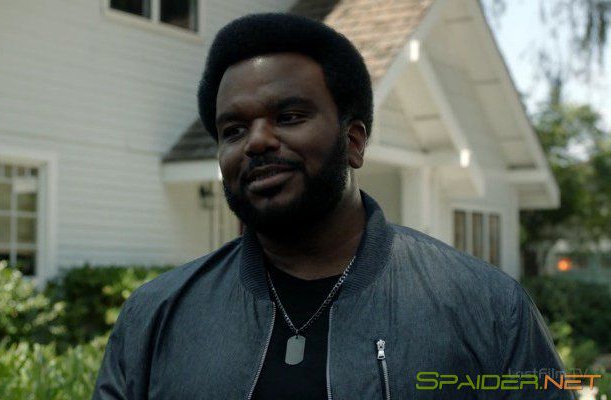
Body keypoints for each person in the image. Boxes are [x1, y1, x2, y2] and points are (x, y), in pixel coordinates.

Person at [93, 13, 571, 399]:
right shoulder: (156, 315)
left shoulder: (487, 308)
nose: (257, 141)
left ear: (354, 142)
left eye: (289, 116)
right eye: (233, 130)